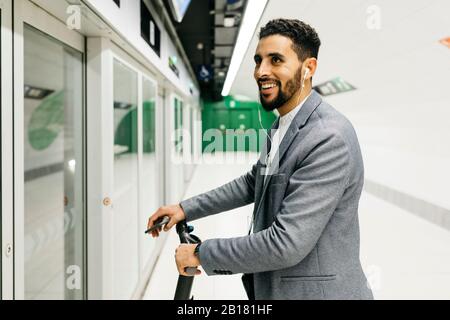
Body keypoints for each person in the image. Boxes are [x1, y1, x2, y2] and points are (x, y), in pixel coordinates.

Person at [147, 18, 374, 300]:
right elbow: (252, 182)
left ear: (308, 68)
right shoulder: (282, 125)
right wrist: (185, 208)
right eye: (258, 61)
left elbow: (286, 243)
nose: (260, 72)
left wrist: (200, 254)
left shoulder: (328, 137)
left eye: (276, 60)